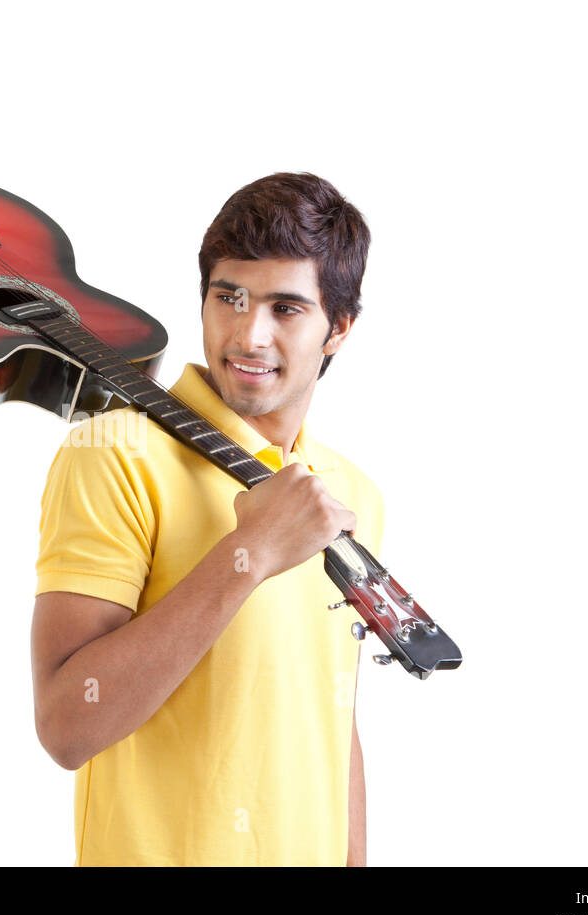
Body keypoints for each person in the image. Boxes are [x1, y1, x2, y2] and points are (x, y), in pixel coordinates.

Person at [30, 172, 384, 866]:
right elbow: (66, 724)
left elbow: (330, 715)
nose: (248, 335)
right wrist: (249, 550)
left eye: (286, 309)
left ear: (338, 327)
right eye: (230, 297)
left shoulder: (350, 494)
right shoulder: (115, 453)